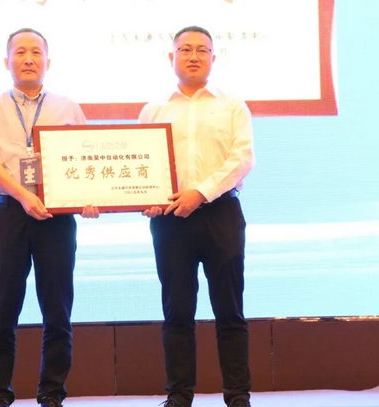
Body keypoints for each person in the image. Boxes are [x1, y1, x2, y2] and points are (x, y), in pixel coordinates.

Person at [0, 28, 99, 407]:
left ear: (47, 62)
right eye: (20, 52)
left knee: (57, 309)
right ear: (6, 61)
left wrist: (89, 200)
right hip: (10, 213)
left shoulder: (67, 107)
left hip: (57, 218)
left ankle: (52, 392)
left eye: (35, 52)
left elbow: (86, 160)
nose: (28, 59)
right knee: (3, 307)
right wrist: (24, 197)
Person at [138, 26, 255, 407]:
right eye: (184, 49)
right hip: (170, 219)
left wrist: (200, 192)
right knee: (177, 311)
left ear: (213, 58)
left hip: (221, 214)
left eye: (201, 50)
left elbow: (242, 159)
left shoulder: (232, 106)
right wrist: (147, 198)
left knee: (230, 310)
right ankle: (178, 395)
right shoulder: (153, 109)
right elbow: (142, 165)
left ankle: (237, 395)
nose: (193, 56)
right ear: (170, 57)